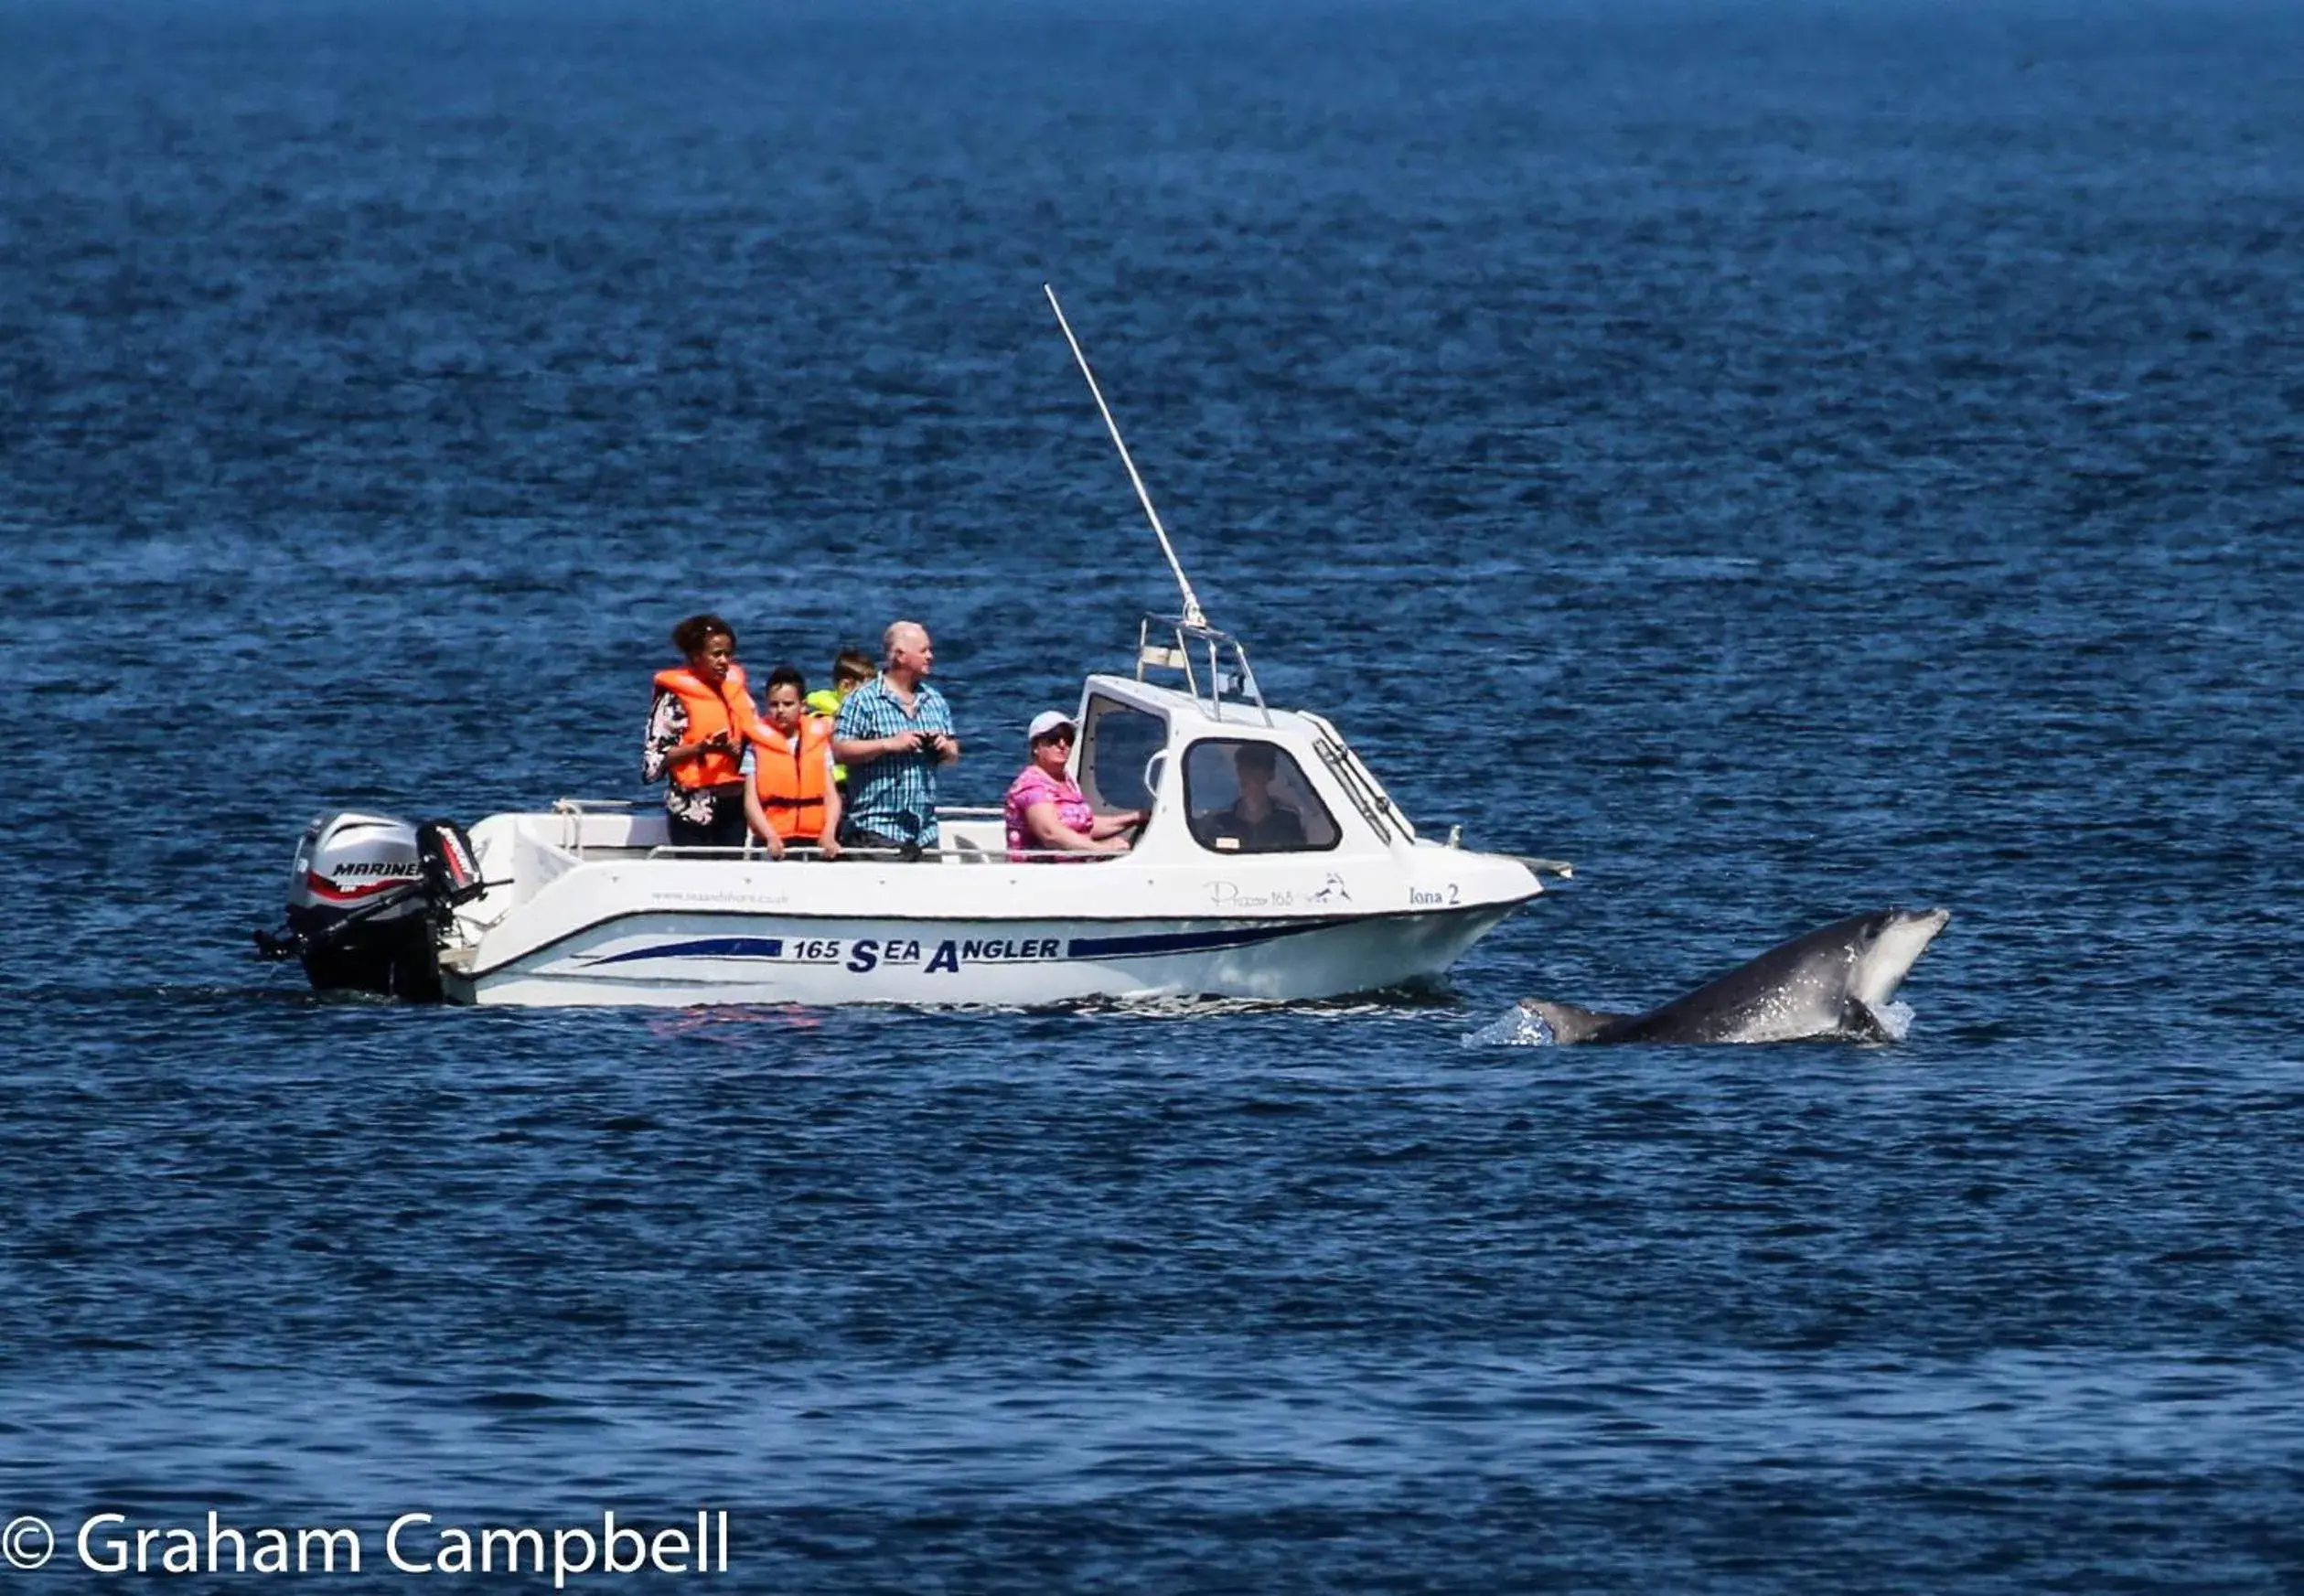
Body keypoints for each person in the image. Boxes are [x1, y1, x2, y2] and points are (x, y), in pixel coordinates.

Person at [832, 620, 961, 856]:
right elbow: (840, 750)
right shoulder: (862, 700)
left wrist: (945, 747)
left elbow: (953, 754)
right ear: (900, 655)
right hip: (876, 831)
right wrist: (888, 744)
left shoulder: (935, 701)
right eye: (924, 651)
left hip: (925, 834)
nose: (930, 656)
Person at [643, 613, 762, 849]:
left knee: (730, 878)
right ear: (696, 656)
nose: (724, 661)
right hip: (693, 807)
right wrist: (700, 748)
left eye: (728, 654)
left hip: (735, 803)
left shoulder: (739, 694)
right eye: (716, 654)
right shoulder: (673, 701)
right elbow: (653, 762)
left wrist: (741, 746)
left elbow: (758, 736)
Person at [1004, 710, 1144, 862]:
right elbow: (1051, 834)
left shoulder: (1066, 780)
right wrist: (1103, 849)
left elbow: (1083, 825)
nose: (1062, 744)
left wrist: (1135, 818)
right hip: (1041, 876)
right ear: (1036, 747)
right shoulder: (1031, 786)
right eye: (1053, 739)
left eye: (1068, 739)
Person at [744, 664, 843, 861]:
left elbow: (831, 795)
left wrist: (829, 832)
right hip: (773, 838)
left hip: (815, 838)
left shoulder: (819, 743)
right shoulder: (755, 746)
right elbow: (751, 801)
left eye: (788, 704)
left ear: (803, 706)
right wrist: (770, 836)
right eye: (774, 704)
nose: (780, 710)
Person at [1192, 742, 1306, 853]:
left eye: (1254, 769)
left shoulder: (1288, 819)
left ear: (1270, 775)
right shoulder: (1221, 821)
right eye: (1242, 768)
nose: (1247, 775)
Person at [805, 647, 876, 791]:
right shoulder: (822, 718)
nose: (873, 694)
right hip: (834, 784)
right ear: (845, 686)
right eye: (868, 689)